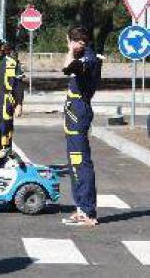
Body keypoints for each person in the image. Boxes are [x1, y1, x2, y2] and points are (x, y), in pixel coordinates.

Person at [62, 26, 101, 226]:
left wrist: (71, 50)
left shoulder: (89, 59)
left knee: (81, 162)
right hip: (73, 110)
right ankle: (80, 208)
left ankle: (88, 211)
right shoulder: (84, 55)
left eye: (69, 41)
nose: (67, 44)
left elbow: (67, 68)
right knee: (74, 162)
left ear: (78, 42)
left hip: (80, 111)